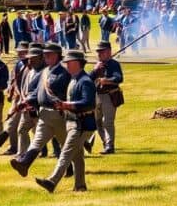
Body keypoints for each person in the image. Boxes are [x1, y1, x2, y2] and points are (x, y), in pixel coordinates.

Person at [34, 49, 95, 193]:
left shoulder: (85, 81)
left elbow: (88, 103)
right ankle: (80, 186)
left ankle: (52, 181)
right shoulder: (74, 79)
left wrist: (67, 105)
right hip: (72, 122)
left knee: (66, 152)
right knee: (77, 155)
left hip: (82, 124)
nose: (66, 65)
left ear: (77, 63)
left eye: (69, 62)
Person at [9, 43, 70, 177]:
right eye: (45, 54)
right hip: (43, 113)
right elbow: (37, 92)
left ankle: (70, 169)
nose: (46, 56)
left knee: (65, 144)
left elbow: (62, 91)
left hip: (57, 114)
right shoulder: (45, 72)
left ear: (58, 56)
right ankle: (24, 164)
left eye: (50, 54)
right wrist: (26, 102)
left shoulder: (63, 73)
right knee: (37, 140)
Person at [88, 41, 123, 155]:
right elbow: (88, 79)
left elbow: (119, 78)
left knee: (107, 122)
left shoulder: (114, 64)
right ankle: (106, 142)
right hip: (97, 95)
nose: (99, 54)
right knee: (97, 122)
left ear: (108, 52)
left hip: (109, 95)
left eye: (102, 51)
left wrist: (106, 80)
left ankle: (109, 146)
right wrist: (95, 70)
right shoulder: (97, 65)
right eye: (98, 52)